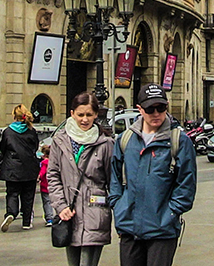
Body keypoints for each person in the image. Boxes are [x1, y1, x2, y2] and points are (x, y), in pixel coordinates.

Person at [109, 83, 197, 266]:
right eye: (150, 109)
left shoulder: (179, 141)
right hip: (129, 227)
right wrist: (118, 206)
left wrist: (171, 213)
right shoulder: (125, 140)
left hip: (162, 230)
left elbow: (186, 184)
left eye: (161, 108)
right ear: (140, 109)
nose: (156, 113)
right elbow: (115, 178)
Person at [48, 92, 115, 266]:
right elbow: (53, 175)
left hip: (95, 213)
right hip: (69, 214)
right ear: (72, 114)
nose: (84, 120)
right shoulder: (60, 140)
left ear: (96, 115)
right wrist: (60, 206)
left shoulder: (105, 143)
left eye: (89, 115)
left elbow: (113, 182)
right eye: (80, 115)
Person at [0, 104, 40, 232]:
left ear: (14, 116)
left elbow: (2, 150)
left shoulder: (8, 132)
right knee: (28, 195)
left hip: (12, 168)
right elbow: (35, 147)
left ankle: (11, 212)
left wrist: (2, 162)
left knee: (12, 193)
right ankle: (26, 221)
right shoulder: (31, 131)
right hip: (29, 167)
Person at [38, 145, 53, 227]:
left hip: (44, 186)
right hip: (53, 186)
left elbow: (42, 172)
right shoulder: (54, 161)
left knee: (46, 202)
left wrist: (38, 177)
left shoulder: (44, 163)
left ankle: (49, 218)